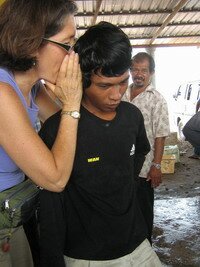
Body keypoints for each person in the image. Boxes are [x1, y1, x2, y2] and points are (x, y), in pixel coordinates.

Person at [39, 21, 162, 267]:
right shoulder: (57, 130)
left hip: (137, 246)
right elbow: (51, 210)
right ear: (82, 81)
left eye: (122, 82)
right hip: (85, 256)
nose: (117, 94)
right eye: (105, 85)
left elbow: (135, 161)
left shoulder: (132, 117)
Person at [0, 0, 82, 266]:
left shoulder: (33, 87)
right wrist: (71, 105)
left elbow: (64, 126)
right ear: (33, 42)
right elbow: (55, 178)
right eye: (67, 45)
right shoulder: (2, 93)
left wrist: (70, 105)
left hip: (14, 211)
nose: (72, 56)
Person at [123, 52, 170, 244]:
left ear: (151, 73)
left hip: (143, 168)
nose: (138, 74)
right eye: (135, 69)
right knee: (123, 209)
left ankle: (145, 248)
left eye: (143, 70)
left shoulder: (157, 99)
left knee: (143, 211)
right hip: (121, 165)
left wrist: (156, 165)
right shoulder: (121, 93)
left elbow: (160, 134)